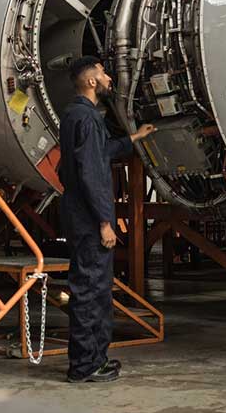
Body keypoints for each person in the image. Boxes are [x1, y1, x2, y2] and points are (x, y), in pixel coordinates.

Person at [58, 56, 155, 383]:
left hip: (78, 212)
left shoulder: (76, 116)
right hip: (89, 219)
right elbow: (92, 172)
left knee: (94, 289)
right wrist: (104, 221)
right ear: (90, 81)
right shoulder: (85, 119)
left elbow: (97, 154)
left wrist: (134, 139)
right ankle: (85, 367)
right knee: (90, 291)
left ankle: (93, 359)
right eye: (103, 73)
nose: (109, 77)